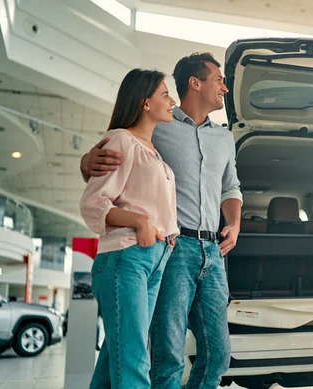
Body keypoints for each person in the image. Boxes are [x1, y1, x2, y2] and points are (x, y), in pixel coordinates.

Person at [80, 53, 243, 389]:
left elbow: (231, 187)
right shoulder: (160, 128)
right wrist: (86, 161)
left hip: (212, 252)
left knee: (218, 354)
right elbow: (114, 151)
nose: (225, 88)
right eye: (219, 80)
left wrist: (235, 223)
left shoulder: (224, 138)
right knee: (160, 353)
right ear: (195, 83)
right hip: (170, 249)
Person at [79, 68, 178, 389]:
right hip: (126, 258)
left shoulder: (155, 154)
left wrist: (168, 235)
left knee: (115, 357)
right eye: (165, 94)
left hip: (154, 260)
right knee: (134, 360)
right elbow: (93, 202)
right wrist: (140, 221)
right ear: (144, 102)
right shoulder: (121, 140)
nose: (172, 101)